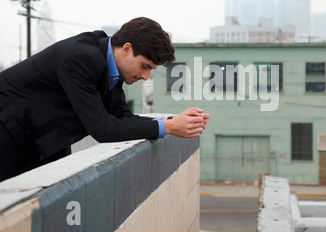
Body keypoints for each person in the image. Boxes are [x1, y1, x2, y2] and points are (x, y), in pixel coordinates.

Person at [0, 17, 209, 182]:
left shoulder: (111, 65)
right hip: (8, 136)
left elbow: (123, 117)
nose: (146, 77)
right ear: (126, 48)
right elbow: (103, 129)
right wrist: (169, 127)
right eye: (145, 66)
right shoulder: (81, 58)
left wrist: (175, 120)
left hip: (37, 143)